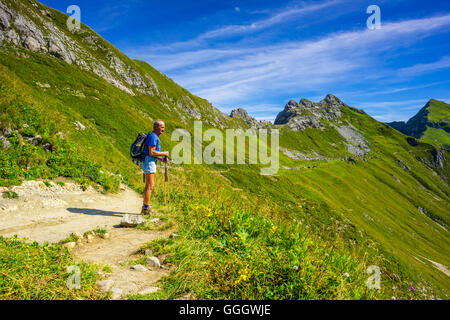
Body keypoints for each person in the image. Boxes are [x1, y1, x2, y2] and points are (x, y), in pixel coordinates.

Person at [141, 120, 169, 215]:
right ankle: (146, 208)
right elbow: (151, 152)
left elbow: (152, 153)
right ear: (155, 127)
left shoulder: (153, 136)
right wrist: (164, 153)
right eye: (162, 127)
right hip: (149, 162)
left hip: (148, 161)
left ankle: (145, 205)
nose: (163, 130)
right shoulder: (153, 137)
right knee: (150, 185)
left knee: (148, 185)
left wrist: (160, 159)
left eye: (163, 128)